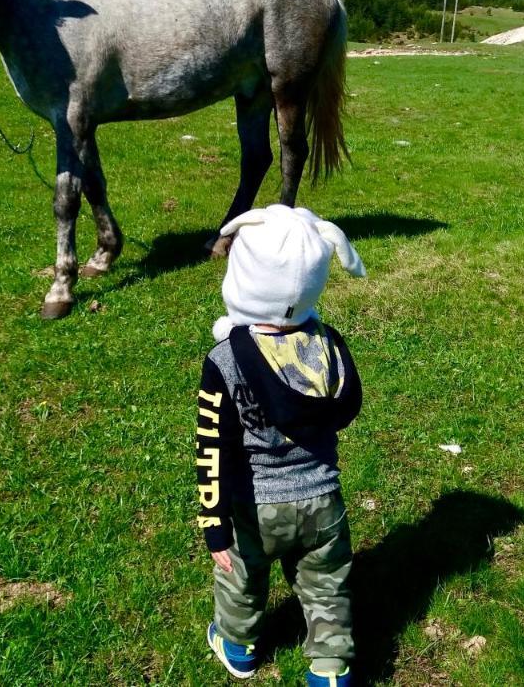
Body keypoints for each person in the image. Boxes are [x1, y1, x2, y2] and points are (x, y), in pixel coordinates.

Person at [196, 204, 366, 686]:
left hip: (255, 506)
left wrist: (214, 524)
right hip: (323, 501)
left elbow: (212, 445)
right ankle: (330, 670)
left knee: (242, 576)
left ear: (244, 277)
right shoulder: (329, 345)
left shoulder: (225, 358)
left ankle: (239, 646)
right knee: (326, 585)